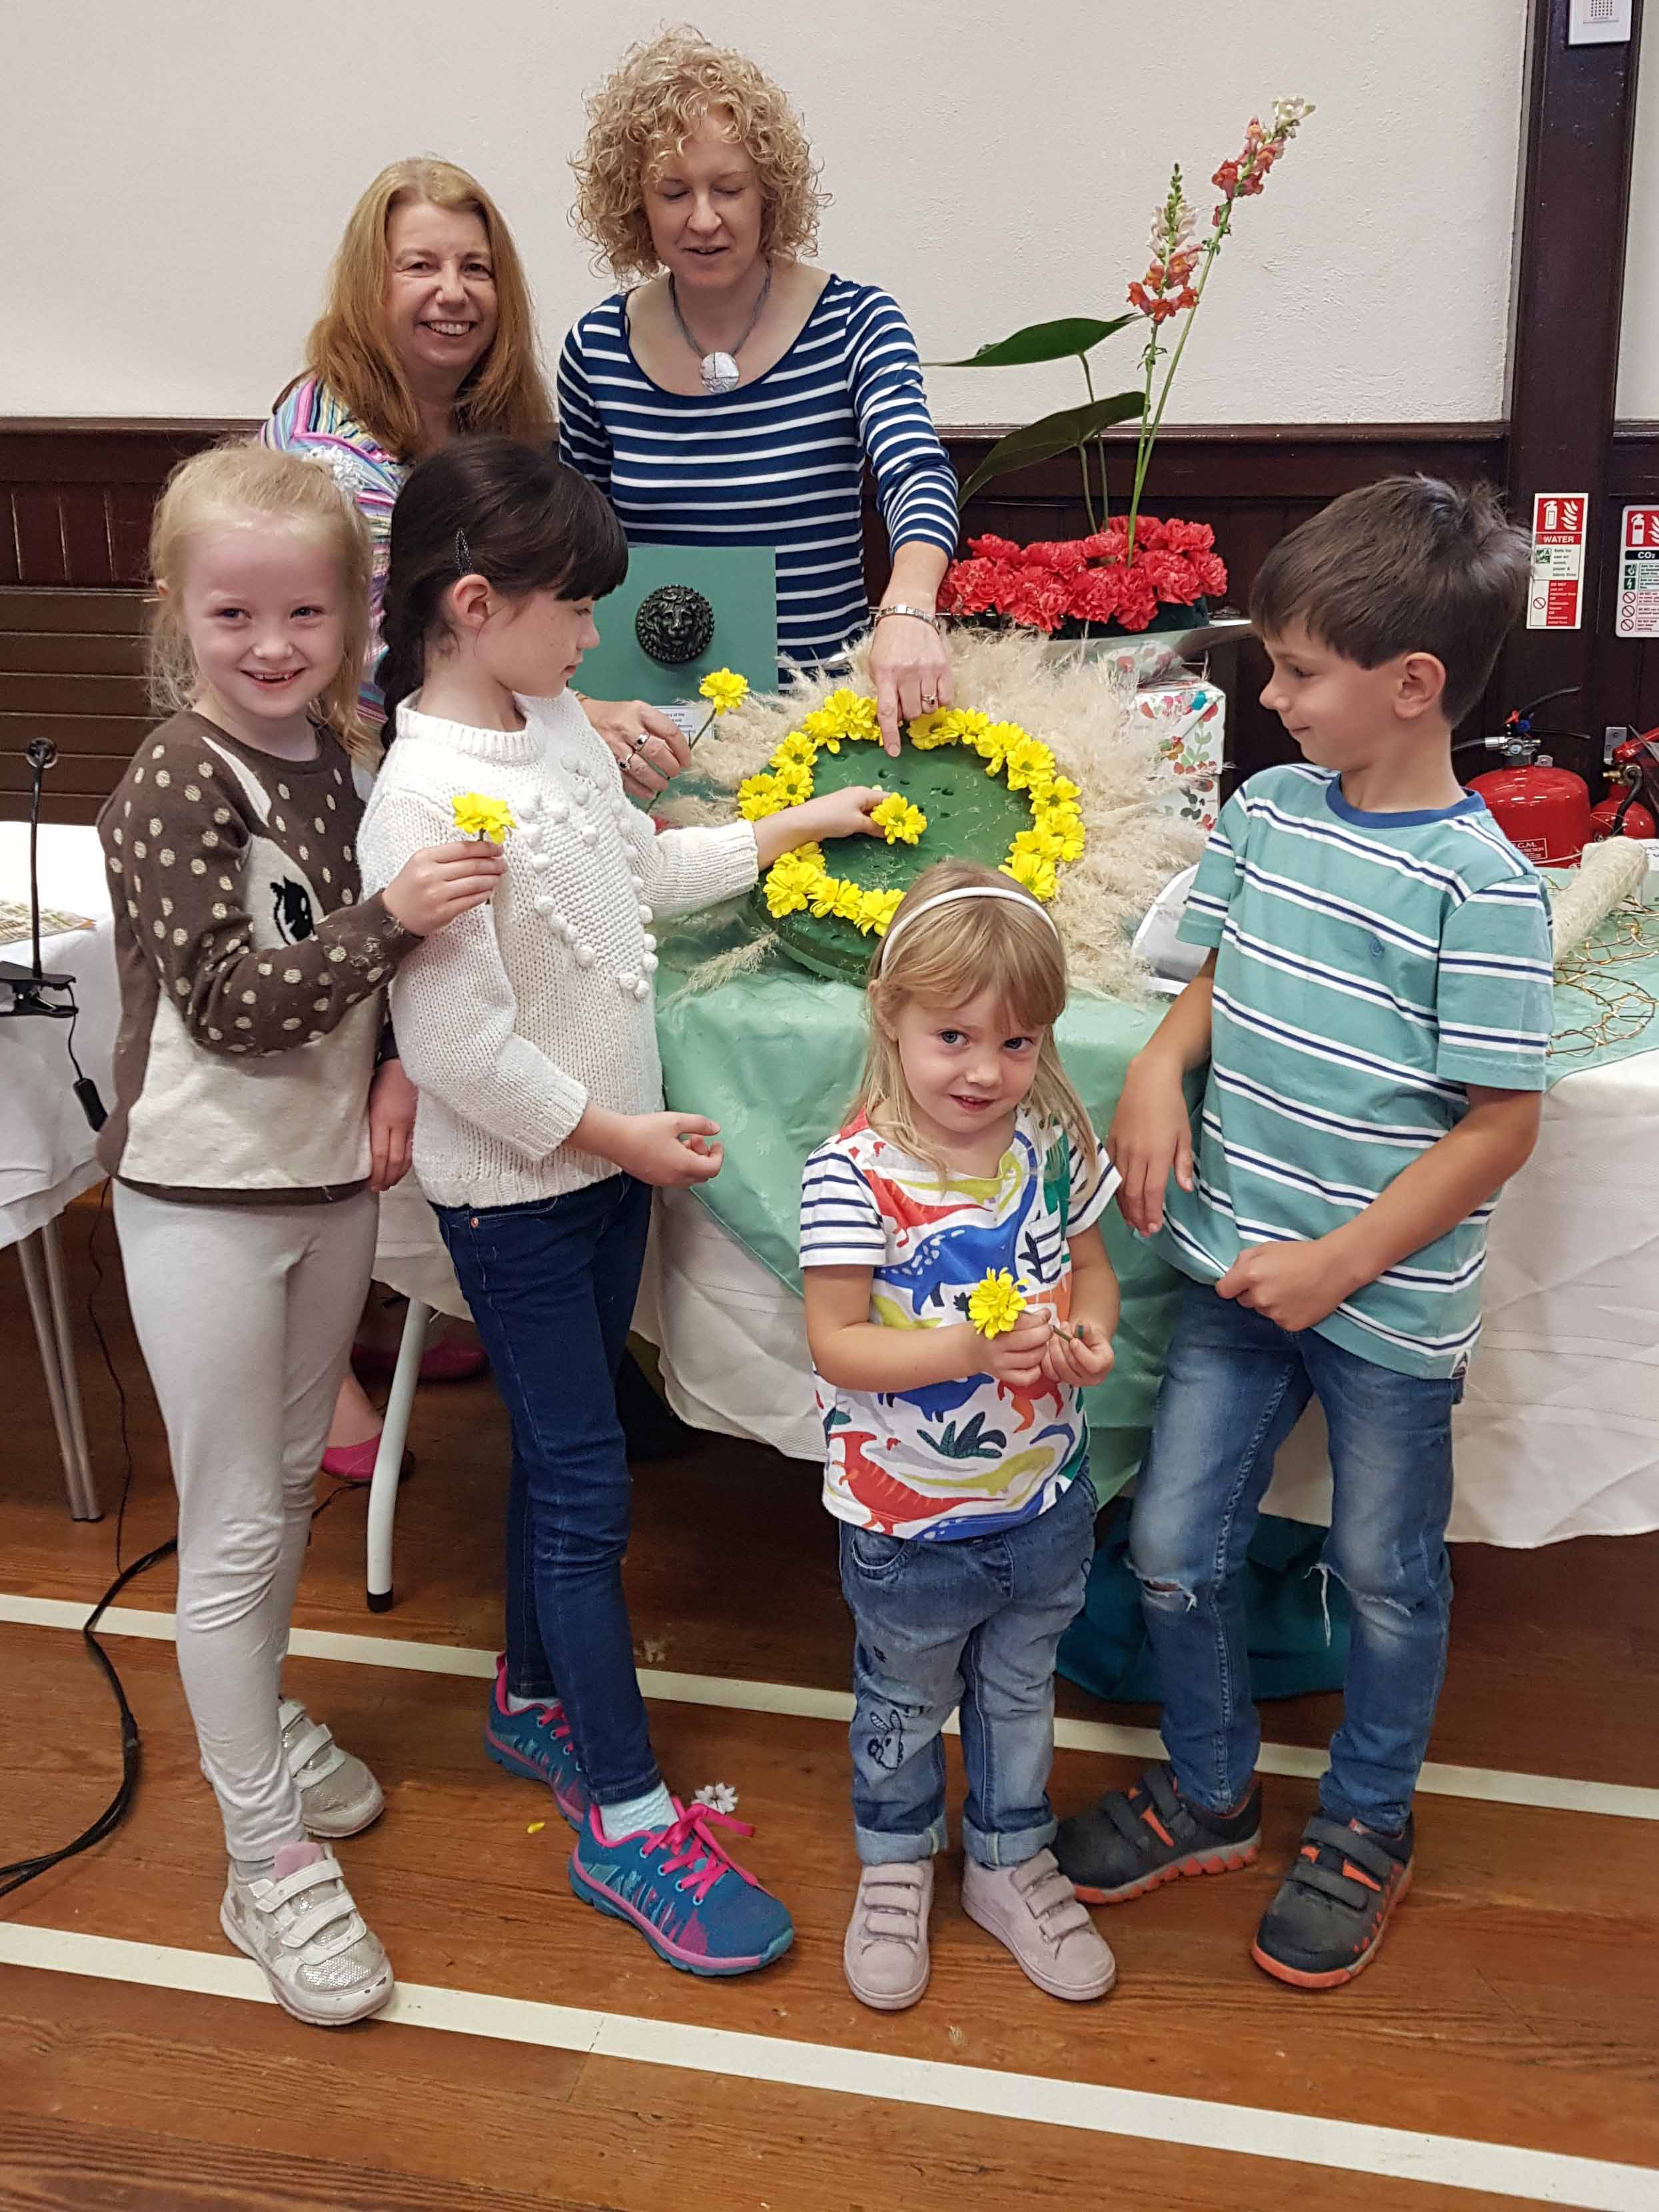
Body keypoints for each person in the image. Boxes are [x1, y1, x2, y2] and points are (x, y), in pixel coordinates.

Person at [356, 434, 890, 1976]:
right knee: (588, 1488)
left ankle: (530, 1693)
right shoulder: (427, 804)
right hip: (525, 1192)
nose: (594, 635)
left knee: (564, 1438)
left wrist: (788, 831)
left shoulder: (544, 728)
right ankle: (625, 1816)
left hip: (600, 1171)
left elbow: (636, 884)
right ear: (473, 602)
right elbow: (458, 1053)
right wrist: (616, 1135)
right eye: (571, 609)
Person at [1056, 476, 1552, 1990]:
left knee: (1386, 1573)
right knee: (1168, 1548)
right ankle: (1208, 1788)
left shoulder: (1480, 889)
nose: (1268, 700)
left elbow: (1497, 1120)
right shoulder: (1269, 815)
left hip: (1382, 1313)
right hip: (1223, 1269)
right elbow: (1214, 970)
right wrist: (1155, 1063)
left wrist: (1342, 1261)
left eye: (1294, 674)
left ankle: (1365, 1823)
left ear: (1409, 688)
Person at [97, 444, 504, 2023]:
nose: (272, 646)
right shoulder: (172, 779)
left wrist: (402, 1054)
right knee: (233, 1522)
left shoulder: (339, 763)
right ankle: (257, 1850)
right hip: (200, 1201)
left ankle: (256, 1722)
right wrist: (394, 915)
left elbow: (369, 999)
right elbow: (233, 1003)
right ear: (175, 614)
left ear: (351, 618)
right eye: (234, 614)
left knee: (279, 1490)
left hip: (325, 1189)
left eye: (305, 615)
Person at [800, 860, 1122, 2011]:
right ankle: (895, 1861)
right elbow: (838, 1343)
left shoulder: (1049, 1150)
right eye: (954, 1038)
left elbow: (1092, 1273)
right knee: (901, 1700)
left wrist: (1087, 1335)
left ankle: (1007, 1854)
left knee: (1023, 1691)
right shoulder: (854, 1177)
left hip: (1043, 1506)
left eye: (1019, 1044)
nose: (988, 1071)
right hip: (908, 1522)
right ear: (890, 1016)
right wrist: (964, 1352)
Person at [561, 27, 960, 752]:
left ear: (770, 193)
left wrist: (908, 607)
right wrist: (581, 704)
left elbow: (915, 472)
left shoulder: (856, 322)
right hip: (652, 731)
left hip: (824, 723)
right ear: (634, 204)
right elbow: (570, 549)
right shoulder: (597, 349)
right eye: (673, 192)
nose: (704, 219)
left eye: (730, 188)